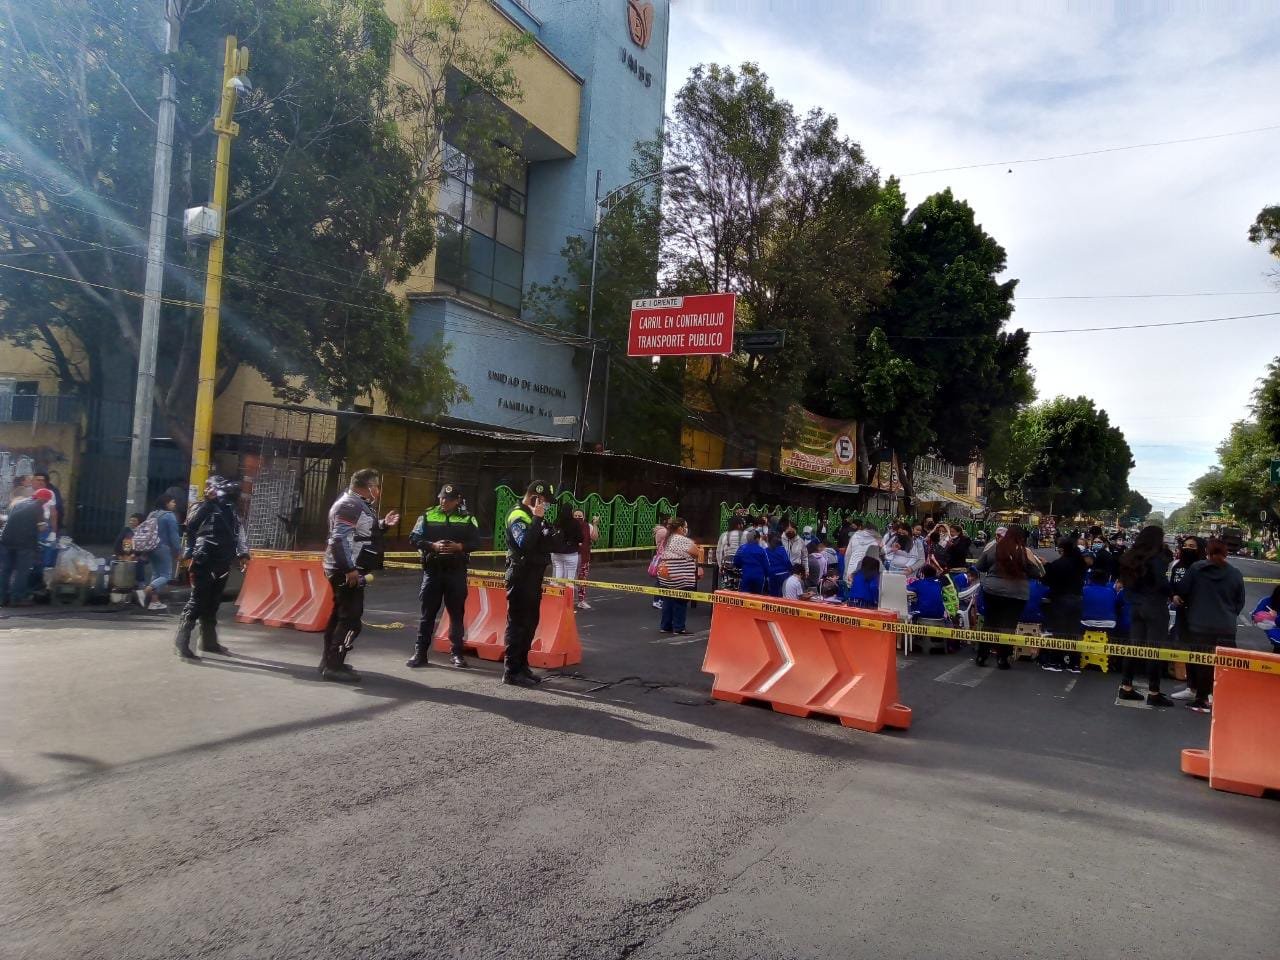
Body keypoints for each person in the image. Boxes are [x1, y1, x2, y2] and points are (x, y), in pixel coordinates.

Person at [319, 469, 399, 682]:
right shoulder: (350, 505)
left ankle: (330, 661)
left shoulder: (358, 504)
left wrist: (383, 525)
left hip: (346, 568)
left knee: (339, 616)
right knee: (351, 620)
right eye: (376, 485)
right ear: (369, 486)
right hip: (346, 571)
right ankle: (334, 665)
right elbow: (339, 539)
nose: (378, 490)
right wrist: (349, 569)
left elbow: (362, 533)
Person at [173, 476, 250, 661]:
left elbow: (238, 534)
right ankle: (181, 643)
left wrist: (243, 554)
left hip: (223, 563)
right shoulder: (203, 506)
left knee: (213, 605)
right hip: (205, 562)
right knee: (197, 602)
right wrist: (208, 503)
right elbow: (190, 526)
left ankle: (208, 642)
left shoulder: (232, 511)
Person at [406, 483, 480, 669]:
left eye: (448, 499)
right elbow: (413, 538)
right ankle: (420, 653)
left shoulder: (468, 518)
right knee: (427, 614)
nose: (443, 501)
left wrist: (459, 547)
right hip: (433, 571)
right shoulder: (427, 515)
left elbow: (476, 542)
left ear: (457, 501)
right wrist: (432, 546)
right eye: (441, 498)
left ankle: (457, 654)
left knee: (456, 614)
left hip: (456, 571)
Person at [1175, 538, 1246, 713]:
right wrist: (1229, 614)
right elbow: (1240, 601)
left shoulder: (1197, 569)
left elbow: (1183, 589)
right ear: (1225, 553)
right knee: (1224, 662)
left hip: (1200, 624)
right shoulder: (1235, 573)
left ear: (1207, 551)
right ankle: (1220, 696)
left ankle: (1200, 699)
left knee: (1201, 662)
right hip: (1226, 626)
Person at [502, 480, 555, 687]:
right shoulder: (518, 515)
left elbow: (546, 542)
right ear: (536, 497)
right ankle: (511, 671)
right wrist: (537, 518)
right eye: (546, 501)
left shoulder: (534, 516)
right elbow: (524, 543)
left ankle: (523, 666)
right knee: (517, 624)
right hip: (520, 576)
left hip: (533, 576)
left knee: (530, 624)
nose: (547, 505)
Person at [1115, 525, 1173, 706]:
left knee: (1134, 647)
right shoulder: (1156, 559)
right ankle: (1154, 692)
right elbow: (1162, 583)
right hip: (1155, 606)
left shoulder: (1129, 557)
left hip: (1135, 606)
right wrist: (1174, 592)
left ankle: (1126, 687)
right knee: (1153, 650)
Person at [973, 524, 1044, 669]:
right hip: (1017, 594)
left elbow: (980, 566)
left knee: (990, 623)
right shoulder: (1025, 551)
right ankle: (1002, 658)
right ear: (1022, 537)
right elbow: (1038, 573)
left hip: (992, 590)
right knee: (1008, 626)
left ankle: (982, 655)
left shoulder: (994, 548)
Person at [1040, 536, 1087, 671]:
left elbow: (1049, 580)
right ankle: (1074, 663)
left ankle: (1056, 661)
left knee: (1059, 631)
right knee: (1073, 632)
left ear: (1062, 549)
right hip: (1077, 599)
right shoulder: (1080, 563)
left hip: (1061, 600)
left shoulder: (1059, 564)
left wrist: (1046, 566)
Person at [0, 489, 49, 606]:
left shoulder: (19, 503)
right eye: (46, 500)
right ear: (43, 499)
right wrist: (45, 525)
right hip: (24, 544)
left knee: (6, 570)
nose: (46, 502)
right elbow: (41, 528)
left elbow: (7, 520)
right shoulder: (38, 507)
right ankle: (16, 598)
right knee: (22, 571)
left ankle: (2, 597)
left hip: (6, 540)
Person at [140, 494, 183, 611]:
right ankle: (144, 591)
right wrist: (178, 551)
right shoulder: (169, 516)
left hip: (150, 548)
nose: (174, 504)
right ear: (166, 503)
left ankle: (154, 601)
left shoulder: (152, 514)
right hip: (163, 548)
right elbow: (174, 536)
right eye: (172, 502)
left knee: (156, 574)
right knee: (166, 575)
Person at [657, 517, 699, 634]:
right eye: (685, 527)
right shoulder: (682, 540)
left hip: (665, 574)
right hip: (680, 575)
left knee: (668, 600)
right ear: (680, 528)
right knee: (681, 600)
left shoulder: (667, 539)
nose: (686, 529)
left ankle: (665, 626)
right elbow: (696, 552)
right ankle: (679, 627)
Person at [549, 508, 584, 601]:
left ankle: (557, 600)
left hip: (556, 554)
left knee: (557, 577)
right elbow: (581, 538)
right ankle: (568, 603)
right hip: (571, 554)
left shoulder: (556, 521)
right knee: (570, 580)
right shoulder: (575, 523)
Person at [574, 509, 599, 609]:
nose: (577, 517)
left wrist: (595, 524)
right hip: (571, 557)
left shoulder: (588, 526)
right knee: (569, 580)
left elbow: (595, 538)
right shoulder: (569, 526)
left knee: (582, 580)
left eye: (579, 515)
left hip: (584, 557)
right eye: (575, 515)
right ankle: (567, 601)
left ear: (583, 517)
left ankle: (581, 601)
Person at [716, 516, 748, 591]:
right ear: (738, 525)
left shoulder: (724, 535)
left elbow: (719, 552)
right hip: (740, 564)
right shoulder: (746, 534)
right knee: (739, 588)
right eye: (741, 524)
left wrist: (720, 565)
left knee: (727, 588)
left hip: (726, 563)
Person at [733, 530, 770, 595]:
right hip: (759, 579)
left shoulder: (741, 548)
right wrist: (766, 576)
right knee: (757, 599)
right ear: (757, 539)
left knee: (744, 599)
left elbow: (736, 562)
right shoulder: (762, 550)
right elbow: (767, 567)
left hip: (746, 578)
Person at [1250, 585, 1280, 651]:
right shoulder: (1267, 601)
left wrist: (1276, 617)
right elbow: (1254, 615)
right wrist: (1267, 615)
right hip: (1276, 636)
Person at [764, 531, 792, 597]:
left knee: (773, 596)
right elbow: (787, 562)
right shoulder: (782, 549)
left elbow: (765, 564)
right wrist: (791, 571)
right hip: (784, 575)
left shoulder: (765, 550)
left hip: (772, 575)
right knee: (784, 595)